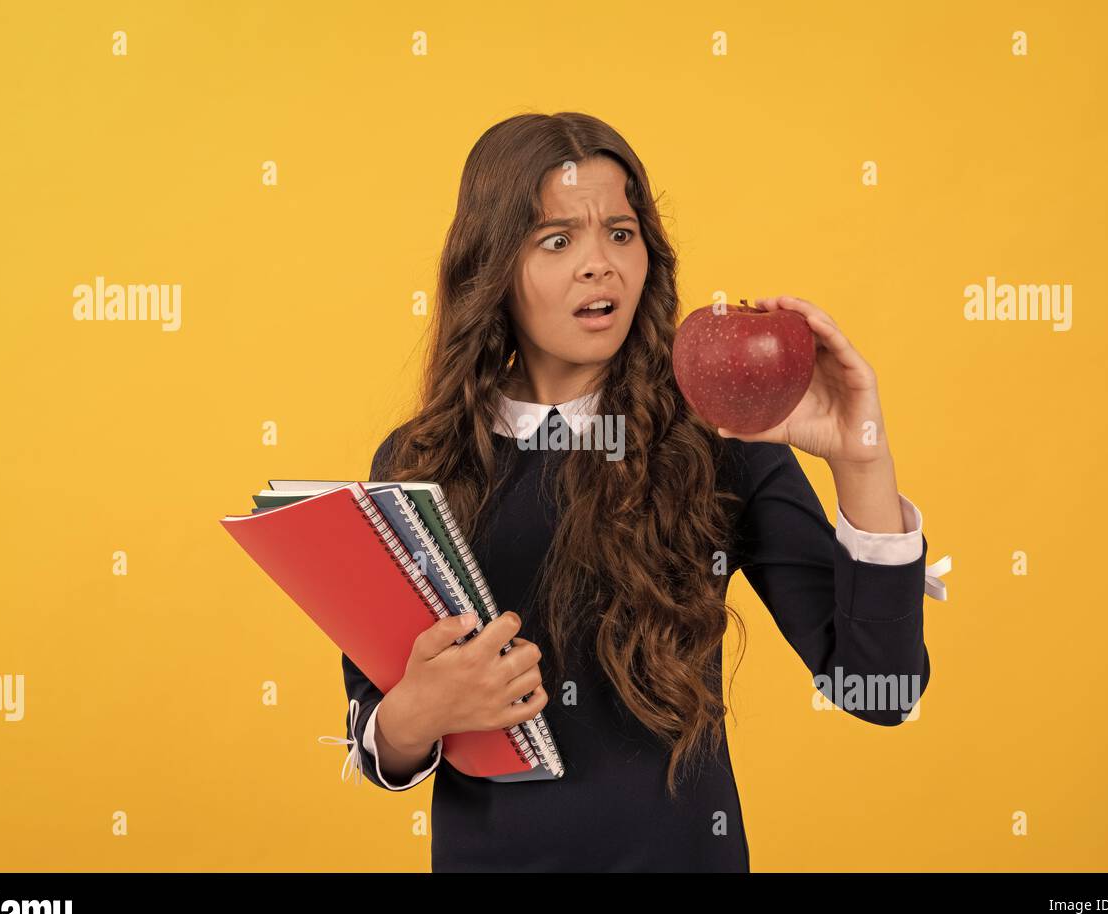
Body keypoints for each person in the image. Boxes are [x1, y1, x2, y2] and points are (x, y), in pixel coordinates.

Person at [337, 111, 943, 872]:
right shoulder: (416, 460)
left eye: (621, 234)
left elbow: (879, 688)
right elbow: (376, 737)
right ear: (490, 266)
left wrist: (861, 456)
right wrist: (414, 715)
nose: (602, 266)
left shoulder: (721, 438)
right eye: (558, 240)